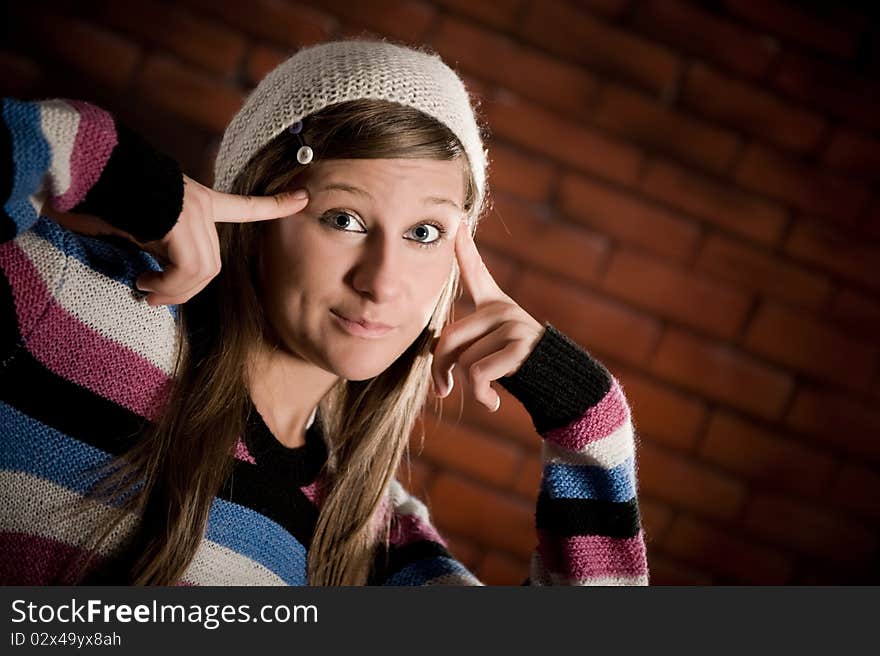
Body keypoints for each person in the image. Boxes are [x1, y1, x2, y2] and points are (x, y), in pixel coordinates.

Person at [0, 39, 649, 586]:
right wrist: (107, 168)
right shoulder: (66, 300)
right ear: (254, 215)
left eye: (425, 233)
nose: (382, 281)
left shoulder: (372, 541)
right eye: (345, 220)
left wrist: (586, 416)